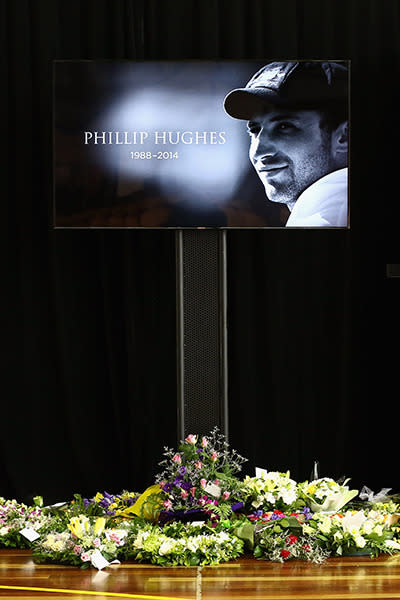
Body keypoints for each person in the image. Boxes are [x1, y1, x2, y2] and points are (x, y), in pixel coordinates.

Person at [224, 61, 349, 227]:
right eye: (255, 130)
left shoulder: (325, 222)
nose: (259, 152)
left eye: (284, 127)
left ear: (344, 136)